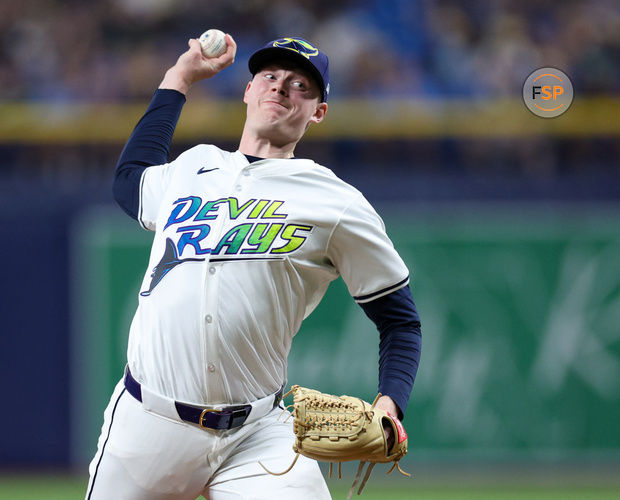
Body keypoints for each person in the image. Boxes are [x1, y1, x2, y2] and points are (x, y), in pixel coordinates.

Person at [85, 33, 422, 500]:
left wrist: (390, 403)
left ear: (319, 112)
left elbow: (401, 323)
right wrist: (178, 78)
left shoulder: (336, 202)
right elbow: (129, 182)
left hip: (258, 434)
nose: (281, 87)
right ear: (248, 91)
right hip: (147, 423)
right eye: (269, 76)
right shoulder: (193, 166)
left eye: (301, 84)